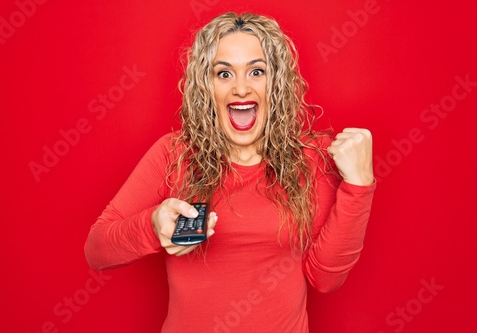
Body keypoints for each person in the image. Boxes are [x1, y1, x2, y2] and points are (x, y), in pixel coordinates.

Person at [84, 12, 376, 333]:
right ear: (207, 87)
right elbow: (97, 251)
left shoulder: (311, 157)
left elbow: (326, 278)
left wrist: (358, 186)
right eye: (224, 74)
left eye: (256, 71)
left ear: (276, 82)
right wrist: (152, 226)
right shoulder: (174, 154)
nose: (240, 88)